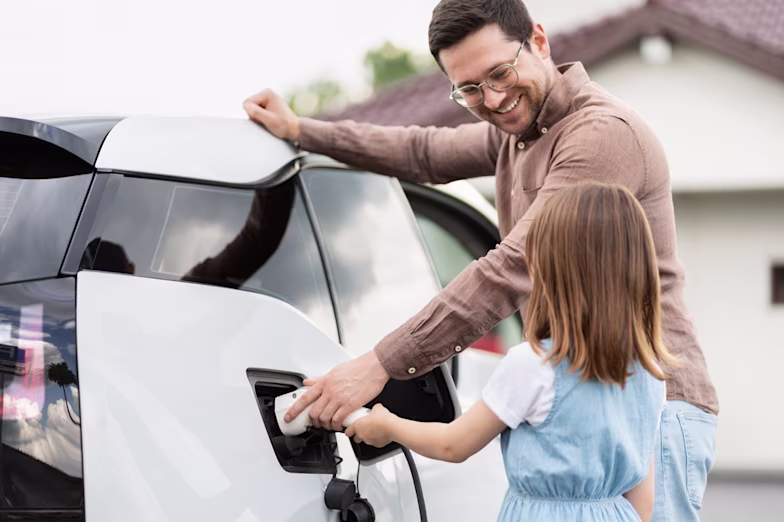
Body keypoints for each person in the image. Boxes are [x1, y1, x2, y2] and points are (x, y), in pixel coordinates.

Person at [243, 1, 718, 519]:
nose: (492, 98)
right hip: (583, 396)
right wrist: (303, 131)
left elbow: (511, 267)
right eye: (469, 89)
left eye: (500, 73)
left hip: (641, 401)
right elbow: (421, 153)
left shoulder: (600, 136)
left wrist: (381, 364)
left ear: (538, 41)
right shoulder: (518, 132)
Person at [347, 182, 672, 522]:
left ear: (552, 270)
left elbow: (453, 445)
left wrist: (388, 426)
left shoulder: (534, 366)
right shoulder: (650, 373)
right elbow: (643, 501)